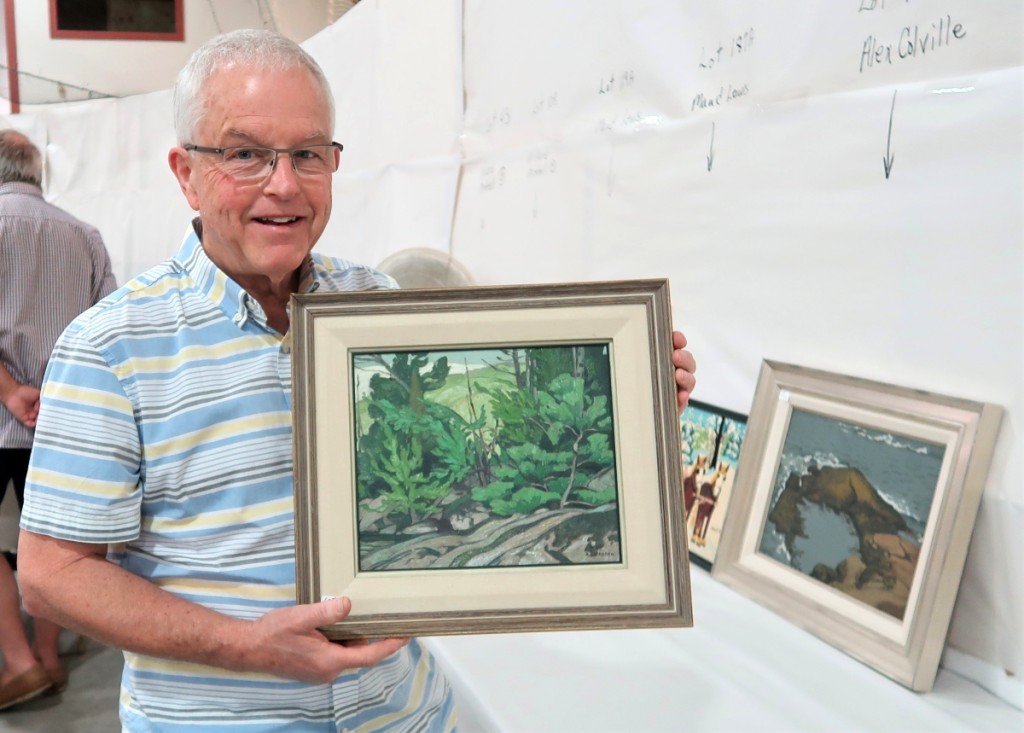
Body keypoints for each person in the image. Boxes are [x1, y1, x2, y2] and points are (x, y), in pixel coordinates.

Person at [16, 29, 697, 732]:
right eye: (246, 153)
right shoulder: (111, 346)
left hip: (402, 715)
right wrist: (247, 644)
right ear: (185, 171)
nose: (284, 184)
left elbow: (454, 472)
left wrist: (630, 399)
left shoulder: (377, 305)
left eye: (308, 153)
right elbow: (50, 575)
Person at [0, 129, 117, 710]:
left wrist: (12, 391)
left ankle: (17, 662)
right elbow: (110, 336)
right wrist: (51, 395)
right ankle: (49, 658)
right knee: (56, 540)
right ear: (36, 174)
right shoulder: (84, 235)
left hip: (0, 415)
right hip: (63, 419)